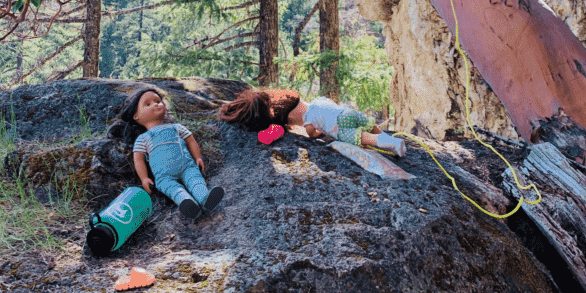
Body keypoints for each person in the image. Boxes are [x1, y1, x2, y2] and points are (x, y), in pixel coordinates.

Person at [120, 87, 225, 220]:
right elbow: (138, 159)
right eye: (148, 104)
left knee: (196, 180)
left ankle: (205, 198)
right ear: (136, 116)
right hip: (163, 176)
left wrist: (198, 157)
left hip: (187, 166)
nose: (156, 104)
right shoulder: (143, 138)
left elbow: (190, 141)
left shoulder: (176, 127)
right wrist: (144, 178)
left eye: (158, 101)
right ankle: (187, 204)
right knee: (173, 189)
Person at [219, 88, 406, 155]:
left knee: (361, 137)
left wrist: (317, 134)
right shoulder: (318, 101)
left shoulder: (308, 120)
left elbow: (310, 133)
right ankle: (385, 136)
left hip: (338, 126)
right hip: (347, 112)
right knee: (366, 124)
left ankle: (391, 144)